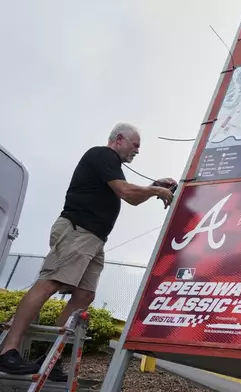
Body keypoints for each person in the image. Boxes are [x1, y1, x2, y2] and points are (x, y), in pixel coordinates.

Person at [0, 123, 176, 381]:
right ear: (119, 139)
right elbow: (126, 193)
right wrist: (156, 189)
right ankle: (8, 351)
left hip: (94, 238)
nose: (137, 151)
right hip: (77, 230)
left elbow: (134, 198)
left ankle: (46, 358)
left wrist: (153, 186)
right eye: (135, 145)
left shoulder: (112, 166)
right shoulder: (102, 155)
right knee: (49, 283)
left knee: (85, 294)